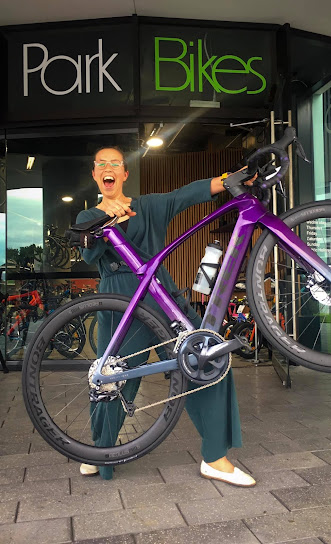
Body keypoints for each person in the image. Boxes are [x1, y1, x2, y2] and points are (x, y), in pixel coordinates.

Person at [76, 146, 256, 486]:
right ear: (95, 174)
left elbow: (188, 194)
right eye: (101, 163)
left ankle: (216, 457)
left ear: (125, 174)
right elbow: (88, 253)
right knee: (111, 380)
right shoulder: (88, 217)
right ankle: (98, 453)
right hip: (119, 306)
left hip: (162, 299)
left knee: (205, 362)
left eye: (115, 163)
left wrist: (231, 179)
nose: (108, 167)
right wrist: (107, 219)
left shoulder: (149, 206)